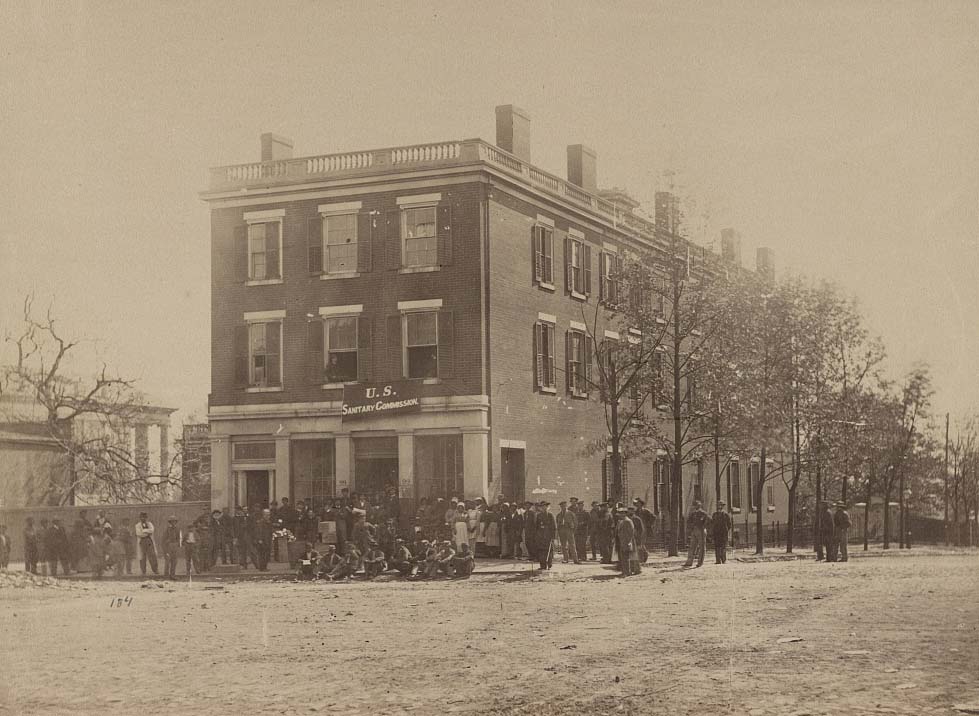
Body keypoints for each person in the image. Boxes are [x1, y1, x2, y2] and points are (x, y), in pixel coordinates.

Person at [684, 500, 710, 568]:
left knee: (701, 547)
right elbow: (689, 521)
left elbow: (709, 521)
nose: (695, 507)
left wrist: (704, 527)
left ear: (699, 506)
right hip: (694, 531)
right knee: (692, 546)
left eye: (696, 506)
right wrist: (691, 528)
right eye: (694, 506)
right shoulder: (693, 514)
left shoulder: (703, 513)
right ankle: (689, 562)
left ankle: (700, 562)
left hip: (701, 531)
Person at [135, 512, 159, 576]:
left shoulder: (150, 524)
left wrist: (144, 531)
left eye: (144, 517)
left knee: (152, 555)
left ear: (146, 518)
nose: (143, 518)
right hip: (142, 542)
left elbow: (152, 530)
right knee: (142, 556)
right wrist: (147, 532)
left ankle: (155, 570)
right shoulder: (137, 525)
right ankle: (143, 571)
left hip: (149, 541)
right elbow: (139, 533)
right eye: (142, 517)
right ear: (140, 518)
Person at [614, 510, 637, 576]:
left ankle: (627, 572)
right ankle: (624, 571)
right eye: (619, 513)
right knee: (622, 557)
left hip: (626, 541)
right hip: (621, 541)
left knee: (626, 557)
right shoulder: (620, 521)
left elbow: (631, 532)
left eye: (622, 513)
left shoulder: (628, 521)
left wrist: (629, 541)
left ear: (625, 514)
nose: (620, 514)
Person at [535, 502, 557, 570]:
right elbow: (536, 526)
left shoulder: (550, 515)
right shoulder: (538, 515)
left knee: (549, 550)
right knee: (541, 550)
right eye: (542, 507)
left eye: (545, 507)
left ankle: (549, 564)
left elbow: (554, 527)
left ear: (547, 507)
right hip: (540, 536)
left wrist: (553, 537)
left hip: (548, 535)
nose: (544, 508)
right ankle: (542, 565)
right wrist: (536, 535)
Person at [162, 516, 182, 580]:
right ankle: (166, 576)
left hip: (175, 546)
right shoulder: (167, 529)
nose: (173, 523)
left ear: (176, 522)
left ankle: (172, 575)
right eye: (172, 522)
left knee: (174, 561)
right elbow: (163, 539)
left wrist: (178, 545)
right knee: (168, 561)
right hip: (169, 546)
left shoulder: (178, 529)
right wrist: (166, 545)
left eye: (174, 521)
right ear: (170, 522)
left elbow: (179, 538)